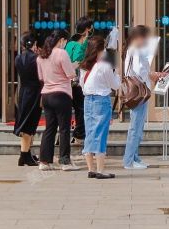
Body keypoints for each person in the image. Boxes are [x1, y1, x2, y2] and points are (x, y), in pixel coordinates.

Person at [35, 30, 80, 168]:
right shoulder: (62, 53)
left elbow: (41, 77)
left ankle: (44, 161)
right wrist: (75, 66)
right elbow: (70, 74)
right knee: (64, 129)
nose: (65, 44)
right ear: (61, 40)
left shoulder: (41, 56)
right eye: (65, 41)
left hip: (46, 94)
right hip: (61, 94)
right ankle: (65, 161)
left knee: (50, 128)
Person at [79, 34, 119, 177]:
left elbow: (82, 84)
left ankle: (91, 169)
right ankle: (101, 170)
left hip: (87, 100)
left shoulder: (84, 65)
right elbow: (115, 85)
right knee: (101, 134)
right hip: (101, 100)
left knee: (90, 133)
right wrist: (116, 73)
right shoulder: (105, 65)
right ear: (101, 49)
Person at [118, 24, 157, 170]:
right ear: (139, 37)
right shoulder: (135, 49)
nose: (146, 41)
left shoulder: (131, 49)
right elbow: (138, 70)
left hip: (138, 92)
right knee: (136, 128)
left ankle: (134, 158)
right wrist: (151, 74)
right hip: (139, 93)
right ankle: (129, 160)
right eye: (145, 38)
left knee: (137, 127)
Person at [9, 31, 45, 167]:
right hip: (34, 93)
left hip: (23, 92)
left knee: (25, 123)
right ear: (34, 44)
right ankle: (24, 155)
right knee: (30, 124)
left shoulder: (18, 58)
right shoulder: (37, 59)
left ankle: (27, 153)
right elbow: (41, 77)